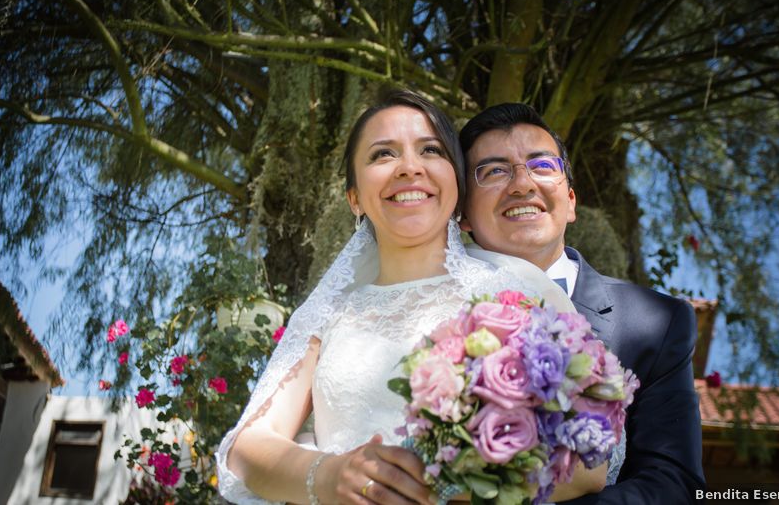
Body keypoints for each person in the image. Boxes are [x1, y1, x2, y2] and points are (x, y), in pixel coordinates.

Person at [215, 91, 610, 504]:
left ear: (456, 185)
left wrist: (454, 484)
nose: (409, 168)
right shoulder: (331, 311)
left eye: (431, 150)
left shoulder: (519, 290)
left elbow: (591, 459)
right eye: (383, 154)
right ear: (354, 198)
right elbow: (248, 445)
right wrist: (329, 475)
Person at [458, 103, 706, 504]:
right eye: (494, 171)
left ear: (570, 201)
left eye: (541, 166)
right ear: (463, 215)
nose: (522, 184)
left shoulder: (657, 323)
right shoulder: (431, 309)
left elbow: (673, 483)